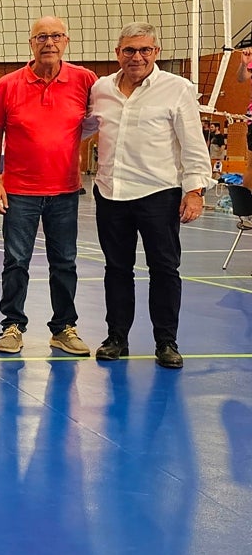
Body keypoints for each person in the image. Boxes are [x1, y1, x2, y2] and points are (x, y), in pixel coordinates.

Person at [85, 22, 213, 368]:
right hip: (111, 193)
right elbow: (84, 129)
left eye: (145, 50)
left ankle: (166, 341)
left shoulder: (177, 89)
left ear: (156, 52)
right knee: (117, 269)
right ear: (118, 53)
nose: (137, 57)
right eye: (129, 50)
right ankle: (116, 338)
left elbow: (192, 143)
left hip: (159, 194)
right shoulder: (100, 89)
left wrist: (195, 190)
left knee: (164, 269)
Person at [0, 16, 97, 356]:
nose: (49, 42)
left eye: (55, 36)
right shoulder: (8, 84)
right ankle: (13, 326)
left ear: (66, 40)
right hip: (19, 191)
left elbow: (102, 120)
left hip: (65, 190)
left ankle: (63, 328)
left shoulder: (85, 80)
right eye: (41, 37)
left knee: (64, 261)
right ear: (31, 43)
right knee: (16, 261)